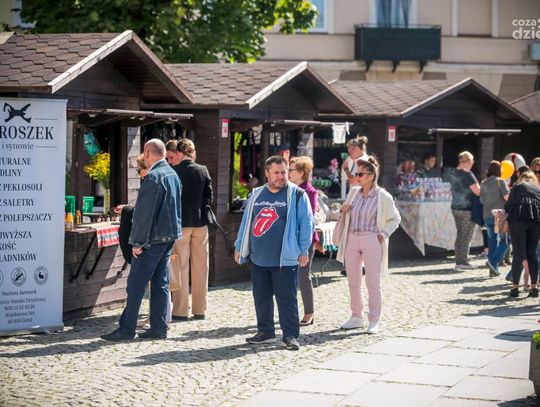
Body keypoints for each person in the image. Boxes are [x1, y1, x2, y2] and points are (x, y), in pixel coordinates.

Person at [102, 139, 182, 341]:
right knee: (160, 283)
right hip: (168, 236)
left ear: (147, 152)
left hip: (152, 239)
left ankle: (127, 329)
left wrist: (137, 242)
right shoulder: (172, 174)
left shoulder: (154, 177)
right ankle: (158, 328)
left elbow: (144, 215)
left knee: (136, 284)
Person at [234, 155, 314, 351]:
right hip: (259, 257)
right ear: (267, 173)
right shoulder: (256, 194)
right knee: (261, 298)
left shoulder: (297, 195)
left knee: (287, 299)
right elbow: (246, 223)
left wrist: (303, 249)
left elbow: (306, 224)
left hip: (284, 259)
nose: (280, 176)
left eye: (283, 172)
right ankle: (266, 332)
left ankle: (290, 335)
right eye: (276, 173)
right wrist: (239, 246)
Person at [335, 156, 401, 334]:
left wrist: (383, 234)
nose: (357, 177)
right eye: (356, 173)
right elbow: (345, 213)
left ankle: (374, 320)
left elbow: (395, 218)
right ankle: (356, 316)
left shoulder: (383, 196)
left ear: (371, 176)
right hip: (351, 239)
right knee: (353, 281)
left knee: (373, 282)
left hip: (371, 239)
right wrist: (343, 209)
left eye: (360, 174)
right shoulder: (354, 192)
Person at [169, 139, 213, 321]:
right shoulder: (203, 170)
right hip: (200, 223)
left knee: (180, 266)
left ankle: (180, 311)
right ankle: (200, 310)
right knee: (201, 267)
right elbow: (208, 197)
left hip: (180, 224)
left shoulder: (174, 171)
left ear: (179, 153)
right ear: (193, 153)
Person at [288, 156, 319, 326]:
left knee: (303, 276)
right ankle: (289, 311)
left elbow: (308, 218)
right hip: (288, 240)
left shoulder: (310, 192)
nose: (288, 173)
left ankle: (309, 312)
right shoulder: (287, 189)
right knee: (287, 277)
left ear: (301, 173)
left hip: (304, 241)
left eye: (291, 170)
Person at [505, 170, 540, 298]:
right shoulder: (538, 189)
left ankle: (515, 288)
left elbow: (508, 206)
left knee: (518, 254)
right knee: (533, 254)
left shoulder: (517, 187)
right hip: (535, 221)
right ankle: (534, 287)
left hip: (518, 221)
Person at [444, 151, 481, 270]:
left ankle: (459, 260)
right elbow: (478, 192)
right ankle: (463, 262)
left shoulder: (454, 173)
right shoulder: (468, 174)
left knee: (460, 235)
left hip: (455, 207)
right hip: (467, 208)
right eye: (472, 160)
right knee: (466, 235)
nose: (473, 162)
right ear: (467, 161)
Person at [479, 161, 509, 277]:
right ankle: (493, 262)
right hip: (499, 215)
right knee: (505, 241)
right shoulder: (500, 181)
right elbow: (506, 197)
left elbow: (481, 200)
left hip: (487, 215)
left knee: (492, 241)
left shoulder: (483, 182)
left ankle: (493, 270)